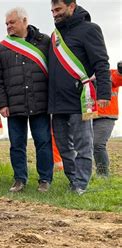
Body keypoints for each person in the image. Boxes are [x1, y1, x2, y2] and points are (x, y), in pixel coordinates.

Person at [48, 0, 111, 194]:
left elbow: (101, 63)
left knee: (83, 143)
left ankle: (81, 184)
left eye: (58, 9)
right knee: (63, 145)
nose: (54, 14)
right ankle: (73, 179)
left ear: (72, 6)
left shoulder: (90, 29)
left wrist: (104, 94)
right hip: (57, 102)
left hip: (80, 98)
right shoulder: (54, 36)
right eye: (52, 10)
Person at [0, 7, 53, 193]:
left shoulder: (44, 42)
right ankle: (19, 180)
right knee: (17, 145)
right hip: (14, 106)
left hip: (40, 103)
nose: (8, 26)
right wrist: (2, 103)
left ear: (24, 21)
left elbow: (53, 71)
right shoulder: (1, 48)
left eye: (12, 22)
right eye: (6, 23)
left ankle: (45, 180)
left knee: (43, 141)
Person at [93, 62, 122, 177]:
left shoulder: (110, 73)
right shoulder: (84, 74)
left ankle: (103, 175)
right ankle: (85, 175)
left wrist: (120, 70)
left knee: (98, 144)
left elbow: (117, 78)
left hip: (106, 116)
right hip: (88, 115)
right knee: (84, 146)